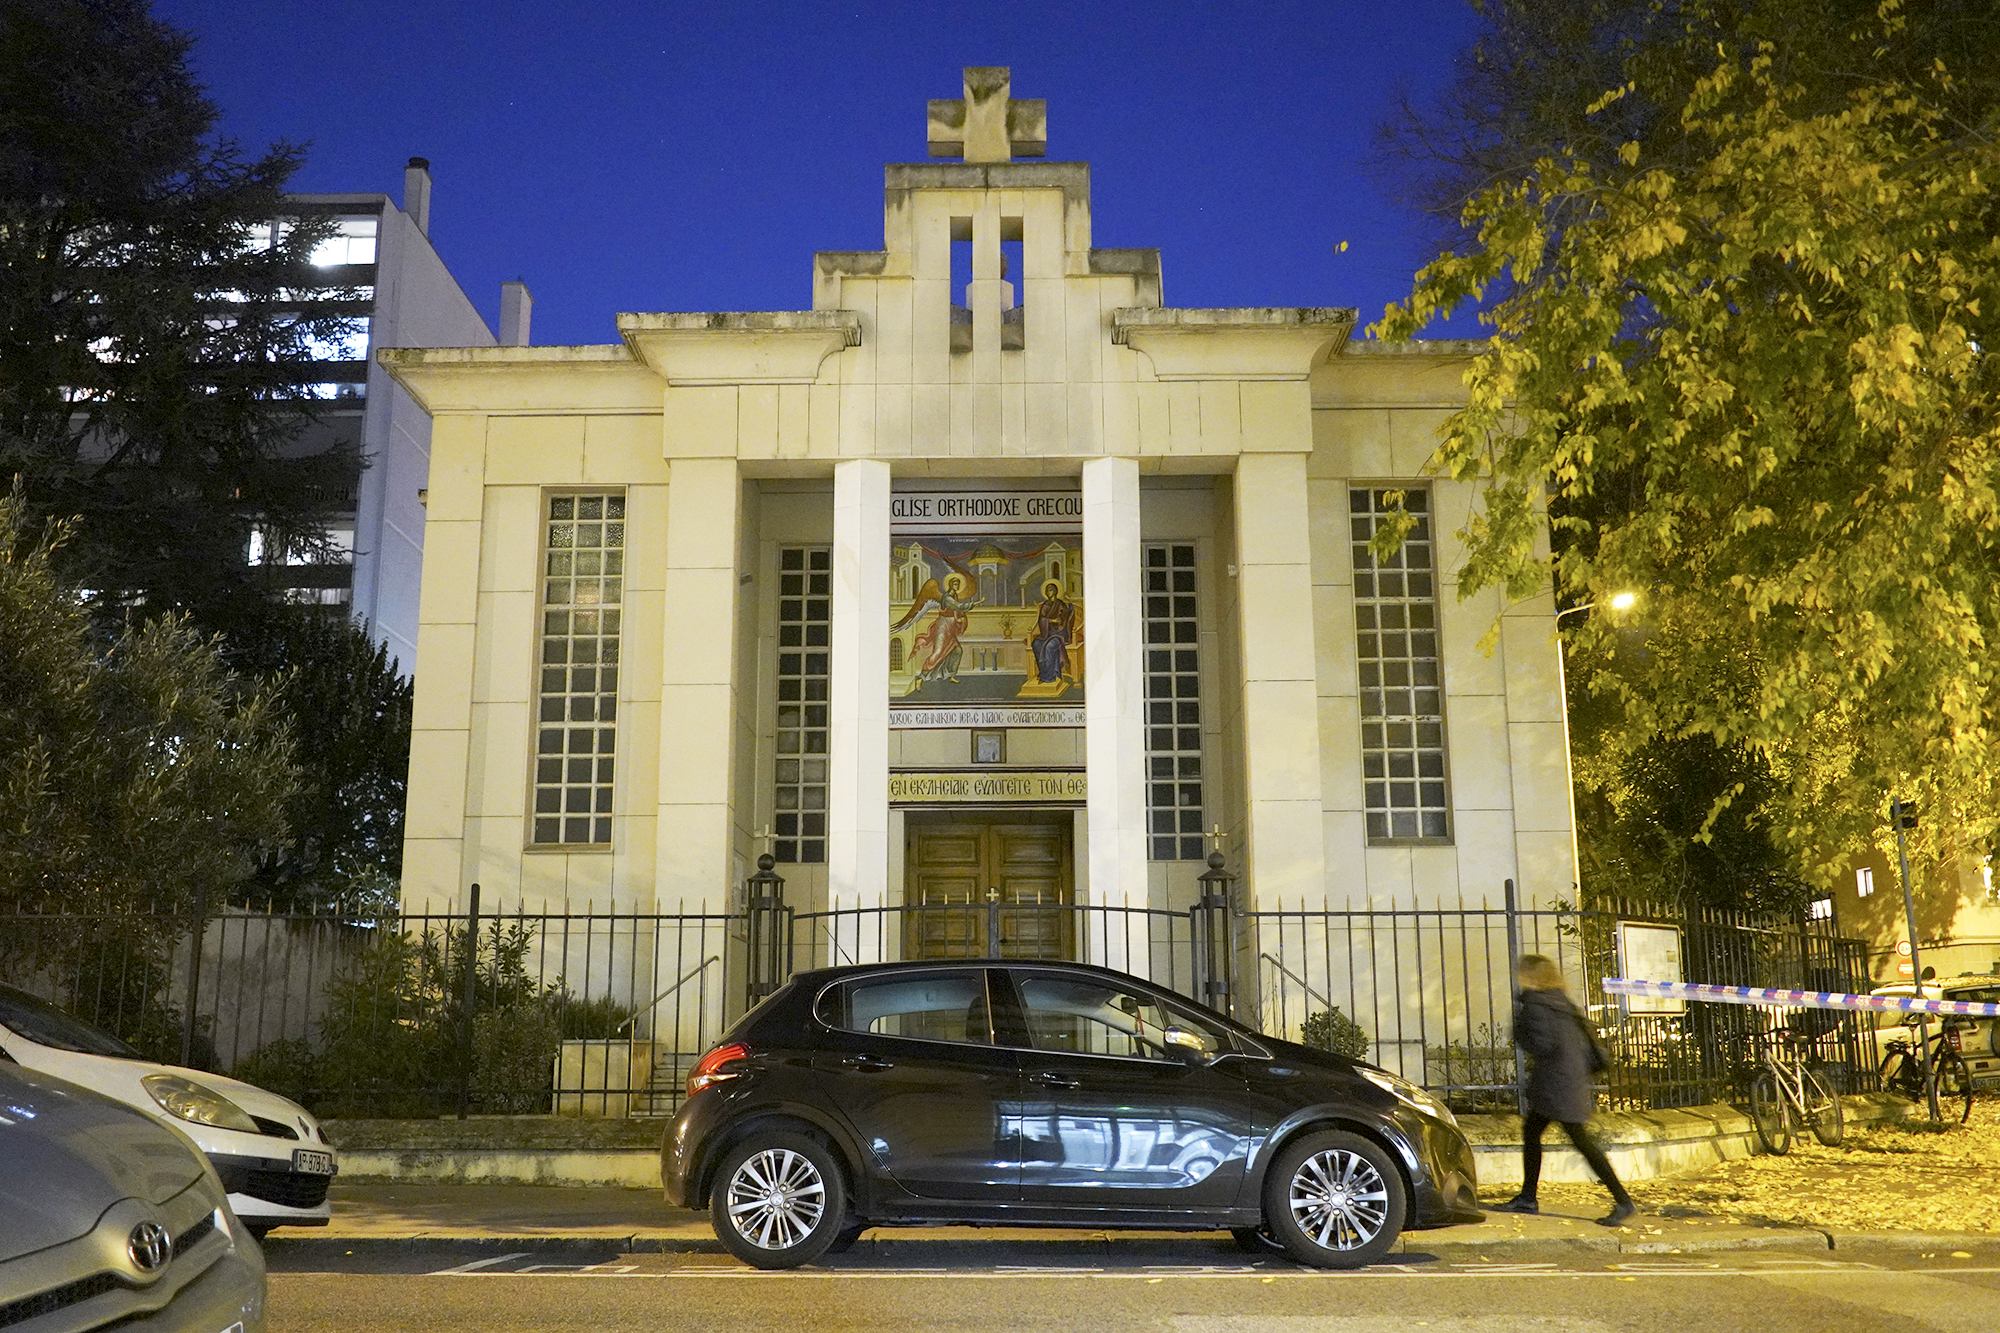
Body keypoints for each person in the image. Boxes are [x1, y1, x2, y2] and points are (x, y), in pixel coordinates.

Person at [1498, 954, 1636, 1226]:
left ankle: (1623, 1201)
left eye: (1521, 973)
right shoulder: (1561, 1002)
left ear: (1530, 977)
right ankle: (1527, 1196)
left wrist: (1519, 1024)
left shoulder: (1536, 1004)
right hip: (1569, 1080)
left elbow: (1541, 1045)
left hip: (1555, 1084)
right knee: (1534, 1132)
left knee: (1581, 1142)